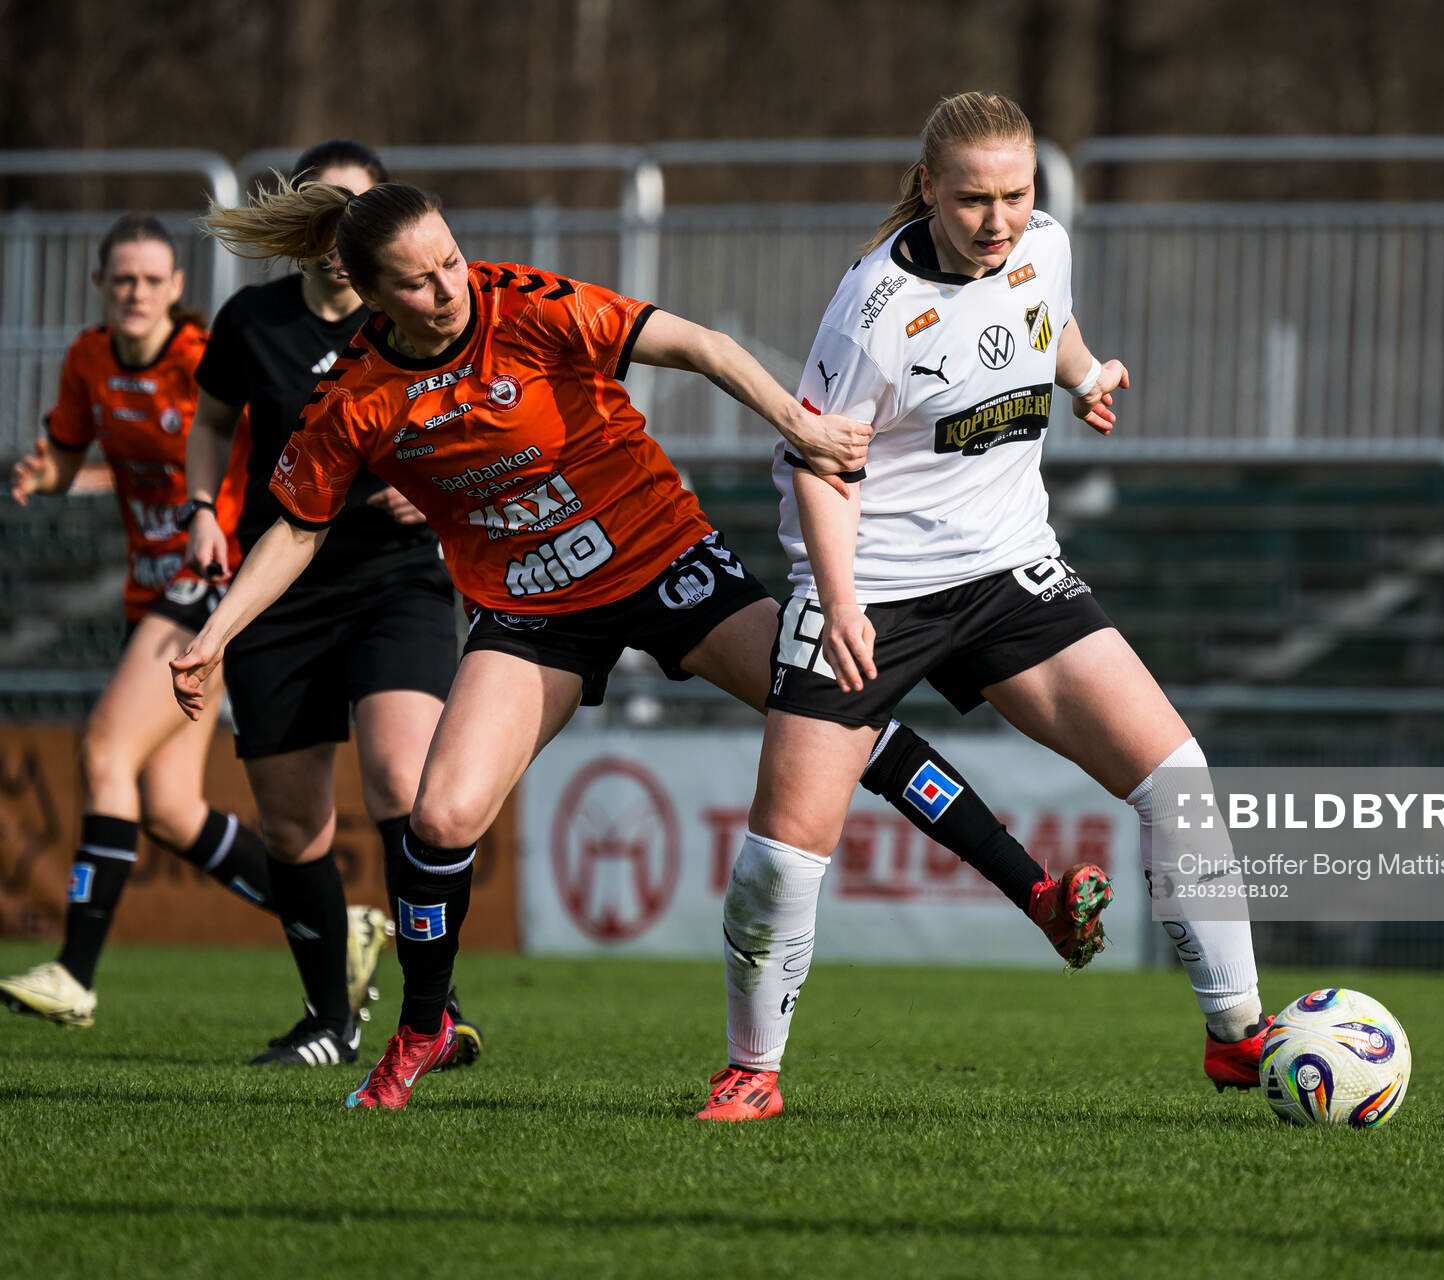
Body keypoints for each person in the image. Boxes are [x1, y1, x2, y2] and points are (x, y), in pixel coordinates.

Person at [175, 169, 1111, 1111]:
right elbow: (295, 527)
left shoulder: (526, 305)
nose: (449, 288)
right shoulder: (359, 398)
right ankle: (425, 1024)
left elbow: (696, 344)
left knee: (845, 707)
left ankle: (1034, 894)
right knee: (439, 819)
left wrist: (800, 424)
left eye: (451, 261)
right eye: (417, 282)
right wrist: (216, 633)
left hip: (666, 563)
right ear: (371, 296)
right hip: (533, 610)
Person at [700, 90, 1268, 1123]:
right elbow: (822, 468)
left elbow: (1041, 319)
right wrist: (835, 601)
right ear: (928, 190)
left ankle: (1237, 1035)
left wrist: (1086, 371)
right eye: (973, 201)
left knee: (1178, 776)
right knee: (780, 857)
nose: (998, 220)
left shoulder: (1043, 243)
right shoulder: (872, 310)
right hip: (872, 587)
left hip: (1011, 571)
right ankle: (752, 1069)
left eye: (1015, 195)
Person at [184, 140, 455, 1069]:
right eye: (328, 209)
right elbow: (212, 421)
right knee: (294, 822)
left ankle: (434, 1004)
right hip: (283, 585)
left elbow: (477, 424)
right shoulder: (250, 321)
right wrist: (199, 510)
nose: (344, 230)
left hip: (397, 579)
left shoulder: (415, 323)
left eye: (361, 211)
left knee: (401, 783)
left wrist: (437, 490)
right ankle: (328, 1023)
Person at [0, 216, 286, 1029]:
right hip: (146, 593)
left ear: (176, 291)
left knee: (103, 749)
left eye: (152, 280)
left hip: (206, 584)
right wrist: (43, 473)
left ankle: (75, 974)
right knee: (167, 808)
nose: (136, 293)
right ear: (100, 286)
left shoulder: (204, 361)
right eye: (122, 279)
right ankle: (333, 925)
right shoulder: (88, 360)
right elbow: (65, 452)